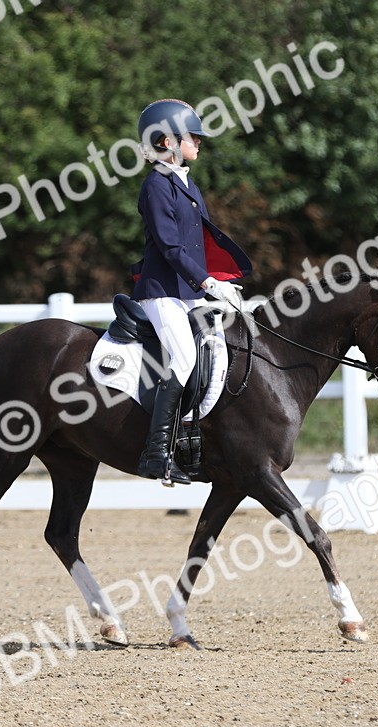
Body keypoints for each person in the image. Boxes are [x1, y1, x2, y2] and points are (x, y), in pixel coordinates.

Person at [131, 98, 252, 484]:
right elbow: (170, 248)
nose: (199, 143)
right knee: (184, 360)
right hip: (162, 291)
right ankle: (157, 453)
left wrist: (221, 280)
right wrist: (207, 282)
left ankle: (198, 441)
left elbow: (200, 241)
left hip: (187, 290)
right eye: (192, 137)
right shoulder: (155, 186)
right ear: (167, 141)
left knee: (219, 351)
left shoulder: (186, 183)